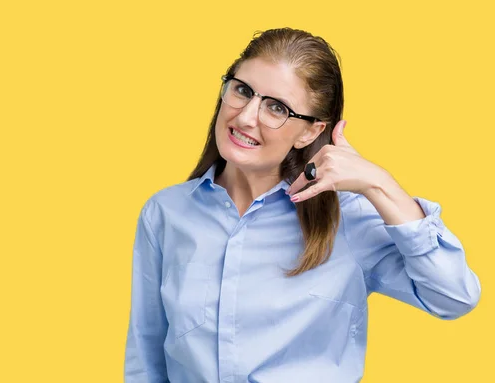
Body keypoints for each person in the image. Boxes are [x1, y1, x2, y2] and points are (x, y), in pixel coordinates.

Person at [123, 27, 481, 383]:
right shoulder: (166, 213)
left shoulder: (348, 218)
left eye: (277, 108)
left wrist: (379, 183)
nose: (246, 117)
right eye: (242, 90)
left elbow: (453, 297)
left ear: (310, 131)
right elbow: (146, 354)